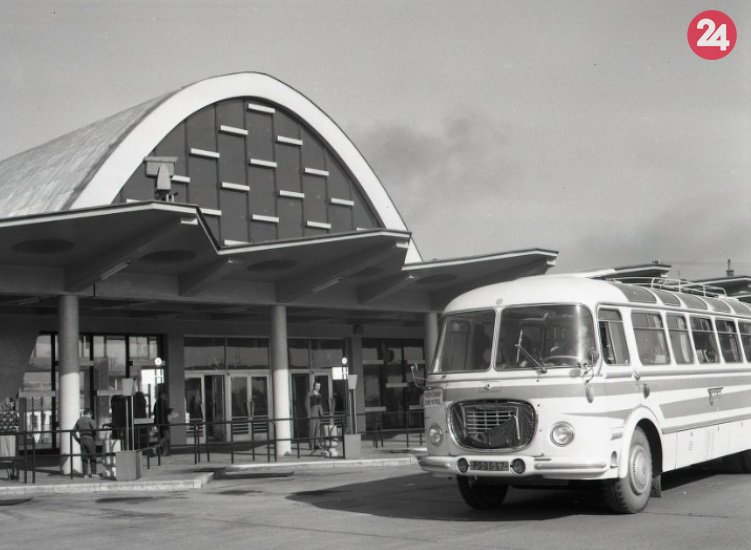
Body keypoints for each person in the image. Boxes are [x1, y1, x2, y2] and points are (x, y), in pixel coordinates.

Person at [73, 408, 98, 478]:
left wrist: (78, 440)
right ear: (90, 414)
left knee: (84, 457)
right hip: (90, 439)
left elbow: (73, 431)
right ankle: (93, 473)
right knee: (93, 456)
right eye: (91, 415)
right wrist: (95, 437)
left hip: (82, 440)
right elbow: (95, 429)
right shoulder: (91, 420)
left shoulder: (79, 420)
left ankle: (85, 474)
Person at [0, 397, 19, 480]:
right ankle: (12, 473)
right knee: (12, 454)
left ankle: (9, 473)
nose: (13, 405)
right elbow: (17, 424)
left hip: (2, 436)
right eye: (12, 403)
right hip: (11, 436)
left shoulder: (1, 412)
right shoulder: (13, 413)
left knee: (5, 455)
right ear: (9, 403)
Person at [307, 382, 324, 450]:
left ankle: (316, 444)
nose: (318, 387)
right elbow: (307, 404)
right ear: (313, 386)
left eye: (319, 386)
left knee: (317, 430)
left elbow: (320, 405)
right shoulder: (309, 394)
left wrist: (321, 413)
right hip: (312, 413)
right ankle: (311, 445)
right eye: (316, 386)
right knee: (312, 430)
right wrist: (309, 414)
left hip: (318, 414)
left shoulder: (319, 394)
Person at [153, 390, 171, 456]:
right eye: (164, 395)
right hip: (163, 423)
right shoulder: (161, 403)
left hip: (160, 422)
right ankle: (156, 446)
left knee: (163, 437)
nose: (166, 396)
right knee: (166, 436)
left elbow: (155, 412)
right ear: (161, 395)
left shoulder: (158, 403)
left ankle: (164, 451)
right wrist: (169, 411)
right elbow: (163, 412)